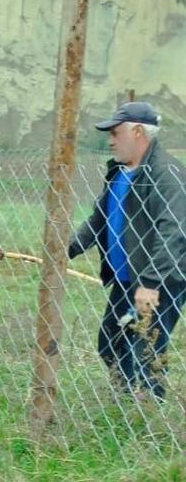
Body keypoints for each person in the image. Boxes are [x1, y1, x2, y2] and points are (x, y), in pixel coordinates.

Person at [68, 101, 186, 399]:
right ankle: (124, 397)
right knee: (110, 340)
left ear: (137, 132)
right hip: (127, 278)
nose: (110, 140)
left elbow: (174, 231)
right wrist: (65, 250)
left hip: (159, 279)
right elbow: (99, 220)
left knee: (145, 347)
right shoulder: (120, 172)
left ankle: (148, 408)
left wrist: (151, 283)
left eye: (115, 133)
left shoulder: (167, 174)